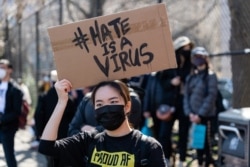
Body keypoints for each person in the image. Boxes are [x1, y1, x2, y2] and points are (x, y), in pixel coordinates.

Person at [39, 79, 167, 167]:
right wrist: (62, 101)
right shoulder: (88, 141)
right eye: (99, 104)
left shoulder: (149, 147)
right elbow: (46, 147)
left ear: (127, 106)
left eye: (113, 101)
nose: (106, 108)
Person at [143, 36, 193, 167]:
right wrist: (171, 82)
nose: (187, 50)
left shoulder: (191, 64)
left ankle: (182, 160)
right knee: (164, 133)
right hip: (168, 103)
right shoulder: (168, 64)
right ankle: (167, 158)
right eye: (185, 48)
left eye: (189, 48)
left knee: (183, 132)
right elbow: (161, 81)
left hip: (185, 103)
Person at [68, 79, 142, 136]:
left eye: (113, 102)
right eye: (99, 104)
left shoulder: (131, 99)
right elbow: (72, 130)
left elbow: (123, 129)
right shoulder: (87, 99)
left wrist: (93, 130)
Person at [34, 70, 77, 167]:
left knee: (50, 161)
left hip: (48, 134)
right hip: (65, 135)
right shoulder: (68, 99)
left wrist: (40, 133)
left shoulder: (44, 96)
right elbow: (73, 117)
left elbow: (38, 116)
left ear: (51, 82)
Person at [183, 46, 218, 167]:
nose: (198, 60)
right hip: (193, 117)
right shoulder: (191, 77)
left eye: (200, 57)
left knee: (206, 145)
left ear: (205, 59)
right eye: (196, 57)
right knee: (197, 144)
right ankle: (200, 163)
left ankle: (208, 163)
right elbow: (186, 97)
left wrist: (200, 114)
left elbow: (211, 97)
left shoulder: (211, 76)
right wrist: (190, 113)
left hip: (205, 117)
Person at [0, 59, 23, 167]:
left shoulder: (15, 89)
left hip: (7, 128)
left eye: (3, 67)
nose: (0, 70)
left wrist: (2, 119)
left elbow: (17, 111)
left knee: (9, 156)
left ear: (10, 70)